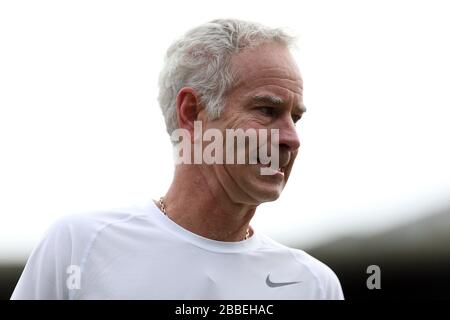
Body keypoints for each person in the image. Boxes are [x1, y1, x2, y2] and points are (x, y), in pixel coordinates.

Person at [11, 19, 344, 299]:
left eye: (295, 118)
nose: (291, 138)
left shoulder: (314, 285)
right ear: (191, 113)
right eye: (267, 110)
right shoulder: (78, 245)